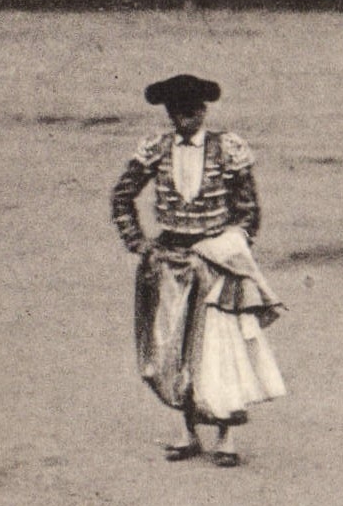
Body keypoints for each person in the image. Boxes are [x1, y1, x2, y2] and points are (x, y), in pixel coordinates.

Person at [111, 73, 284, 466]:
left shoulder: (228, 149)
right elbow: (121, 196)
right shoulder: (156, 149)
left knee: (218, 350)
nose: (184, 121)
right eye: (177, 114)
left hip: (215, 261)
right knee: (174, 347)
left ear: (203, 111)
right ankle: (188, 433)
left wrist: (231, 248)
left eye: (191, 113)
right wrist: (139, 243)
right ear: (169, 114)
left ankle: (225, 438)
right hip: (170, 260)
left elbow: (248, 211)